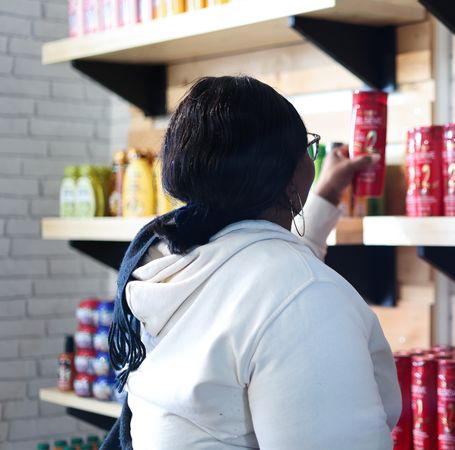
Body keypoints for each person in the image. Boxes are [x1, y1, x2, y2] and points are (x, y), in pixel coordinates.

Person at [103, 76, 401, 450]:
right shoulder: (303, 296)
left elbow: (269, 293)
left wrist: (325, 196)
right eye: (308, 148)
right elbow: (287, 300)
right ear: (293, 174)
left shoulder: (174, 260)